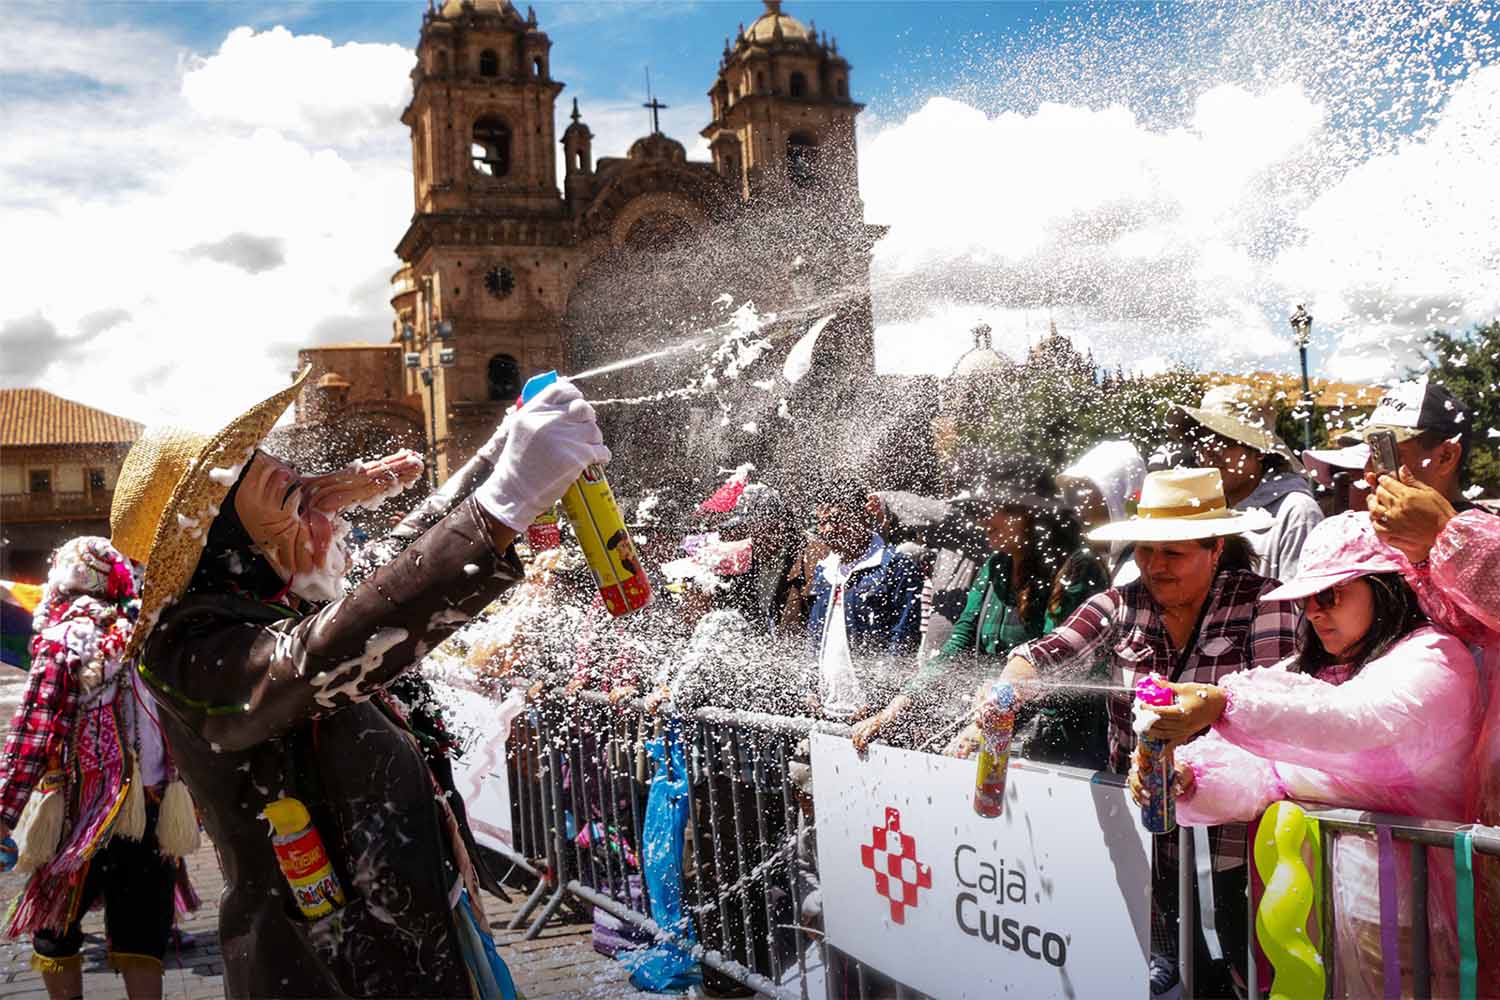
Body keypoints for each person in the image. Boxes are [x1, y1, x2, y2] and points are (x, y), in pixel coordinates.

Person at [108, 372, 607, 998]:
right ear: (210, 523)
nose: (277, 465)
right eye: (245, 465)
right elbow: (324, 654)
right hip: (330, 966)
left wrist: (503, 448)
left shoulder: (272, 598)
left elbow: (398, 559)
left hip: (408, 935)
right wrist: (505, 500)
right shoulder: (186, 642)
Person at [970, 468, 1300, 999]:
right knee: (1158, 974)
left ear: (1216, 547)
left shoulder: (1268, 603)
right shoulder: (1121, 604)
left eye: (1173, 553)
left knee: (1248, 973)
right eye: (1145, 551)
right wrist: (1006, 689)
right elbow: (1048, 652)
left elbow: (1279, 707)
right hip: (1147, 837)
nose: (1154, 566)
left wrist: (1207, 721)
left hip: (1239, 841)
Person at [1134, 512, 1481, 997]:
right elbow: (1267, 770)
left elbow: (1354, 723)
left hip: (1419, 915)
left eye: (1330, 595)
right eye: (1307, 600)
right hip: (1324, 907)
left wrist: (1223, 702)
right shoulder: (1323, 669)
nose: (1314, 612)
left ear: (1385, 589)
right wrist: (1188, 778)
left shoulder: (1434, 658)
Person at [0, 537, 199, 1000]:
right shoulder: (150, 635)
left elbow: (34, 732)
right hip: (153, 807)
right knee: (142, 935)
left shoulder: (62, 639)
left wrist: (5, 813)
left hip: (79, 813)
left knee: (55, 929)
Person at [1351, 378, 1500, 991]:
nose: (1370, 473)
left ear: (1445, 456)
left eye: (1390, 450)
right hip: (1435, 826)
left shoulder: (1478, 531)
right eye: (1369, 452)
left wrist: (1447, 535)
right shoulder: (1381, 548)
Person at [850, 460, 1078, 753]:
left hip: (1051, 746)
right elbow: (958, 644)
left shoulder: (1073, 570)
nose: (983, 520)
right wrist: (895, 708)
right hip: (992, 728)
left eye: (992, 509)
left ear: (1028, 515)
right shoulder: (995, 567)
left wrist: (986, 720)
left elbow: (1049, 660)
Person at [1174, 384, 1323, 580]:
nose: (1208, 452)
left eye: (1222, 440)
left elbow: (1298, 606)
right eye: (1202, 441)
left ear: (1259, 450)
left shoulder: (1297, 512)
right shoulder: (1209, 509)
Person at [804, 478, 923, 722]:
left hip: (870, 714)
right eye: (822, 522)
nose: (827, 530)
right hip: (825, 711)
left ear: (861, 517)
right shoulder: (824, 571)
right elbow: (815, 635)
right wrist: (809, 686)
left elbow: (903, 640)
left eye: (835, 519)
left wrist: (880, 702)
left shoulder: (894, 566)